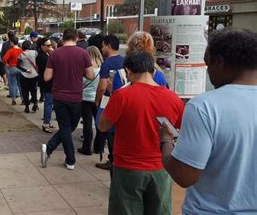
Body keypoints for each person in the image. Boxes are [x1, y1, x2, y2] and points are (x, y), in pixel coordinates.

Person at [160, 28, 257, 214]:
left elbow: (184, 176)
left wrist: (165, 141)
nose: (207, 71)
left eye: (208, 64)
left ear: (219, 61)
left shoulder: (204, 106)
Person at [98, 51, 184, 214]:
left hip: (127, 168)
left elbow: (103, 126)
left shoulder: (121, 95)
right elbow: (182, 131)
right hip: (161, 168)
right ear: (153, 72)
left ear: (128, 71)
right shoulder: (173, 98)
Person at [41, 28, 95, 170]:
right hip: (76, 97)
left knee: (66, 126)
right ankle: (70, 159)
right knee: (71, 126)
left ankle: (50, 148)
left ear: (63, 38)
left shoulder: (55, 54)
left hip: (58, 96)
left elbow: (46, 77)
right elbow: (90, 76)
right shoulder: (83, 53)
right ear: (76, 38)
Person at [94, 35, 124, 170]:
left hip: (109, 100)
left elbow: (102, 86)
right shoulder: (124, 60)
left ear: (108, 45)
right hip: (124, 100)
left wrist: (97, 100)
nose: (101, 48)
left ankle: (113, 160)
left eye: (103, 45)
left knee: (107, 131)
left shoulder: (107, 64)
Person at [77, 46, 103, 155]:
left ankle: (87, 147)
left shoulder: (85, 69)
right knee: (100, 124)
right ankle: (98, 147)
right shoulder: (102, 69)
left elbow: (79, 83)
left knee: (87, 124)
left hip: (85, 98)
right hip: (98, 98)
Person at [36, 37, 55, 133]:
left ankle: (47, 120)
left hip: (48, 82)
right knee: (48, 102)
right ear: (42, 46)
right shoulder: (42, 57)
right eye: (48, 45)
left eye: (50, 45)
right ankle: (46, 123)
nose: (50, 47)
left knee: (49, 102)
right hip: (47, 82)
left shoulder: (46, 54)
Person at [17, 40, 39, 113]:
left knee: (25, 91)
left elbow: (18, 66)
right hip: (34, 74)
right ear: (30, 46)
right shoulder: (35, 53)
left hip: (24, 75)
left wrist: (25, 70)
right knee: (34, 90)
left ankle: (27, 106)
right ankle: (35, 103)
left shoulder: (21, 55)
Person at [2, 37, 22, 105]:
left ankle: (13, 99)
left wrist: (7, 64)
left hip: (12, 67)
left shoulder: (10, 50)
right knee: (20, 84)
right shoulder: (21, 50)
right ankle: (23, 99)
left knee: (13, 84)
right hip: (20, 68)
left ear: (12, 42)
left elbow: (4, 59)